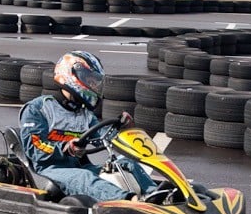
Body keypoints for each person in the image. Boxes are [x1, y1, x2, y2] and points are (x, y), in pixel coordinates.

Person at [19, 50, 157, 202]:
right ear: (70, 76)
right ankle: (128, 201)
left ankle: (154, 195)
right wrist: (65, 148)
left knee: (125, 163)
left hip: (77, 167)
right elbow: (35, 148)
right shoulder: (38, 108)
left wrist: (121, 128)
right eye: (89, 79)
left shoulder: (84, 114)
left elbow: (103, 138)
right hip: (49, 169)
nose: (92, 85)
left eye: (94, 81)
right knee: (85, 177)